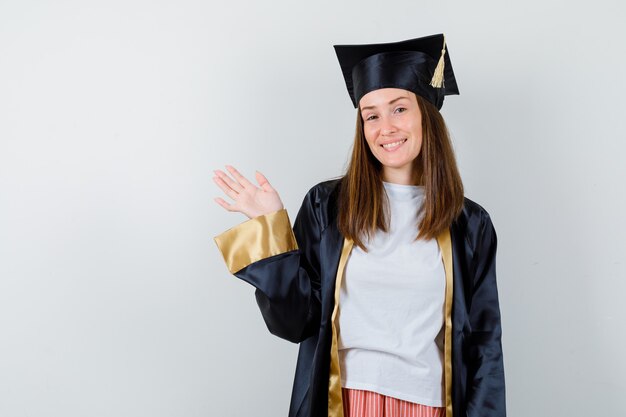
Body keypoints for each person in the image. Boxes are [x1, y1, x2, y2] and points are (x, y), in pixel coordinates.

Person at [212, 34, 506, 417]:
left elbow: (484, 344)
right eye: (371, 115)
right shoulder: (328, 206)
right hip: (342, 400)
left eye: (399, 109)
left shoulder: (469, 224)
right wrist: (271, 230)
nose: (385, 127)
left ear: (426, 116)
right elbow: (294, 323)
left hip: (429, 404)